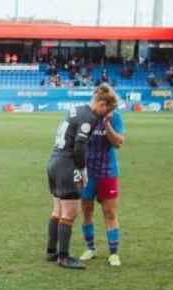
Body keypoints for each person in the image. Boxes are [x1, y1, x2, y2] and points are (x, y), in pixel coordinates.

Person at [45, 83, 118, 269]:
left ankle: (51, 251)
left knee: (58, 210)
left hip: (54, 161)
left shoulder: (75, 110)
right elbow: (79, 147)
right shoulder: (90, 117)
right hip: (67, 165)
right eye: (106, 109)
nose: (105, 114)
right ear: (101, 104)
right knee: (70, 213)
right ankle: (64, 257)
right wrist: (83, 170)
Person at [80, 102, 126, 266]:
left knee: (110, 213)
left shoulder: (116, 117)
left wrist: (107, 124)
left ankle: (113, 254)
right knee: (86, 211)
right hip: (87, 173)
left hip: (108, 172)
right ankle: (90, 248)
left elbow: (118, 143)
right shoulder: (86, 117)